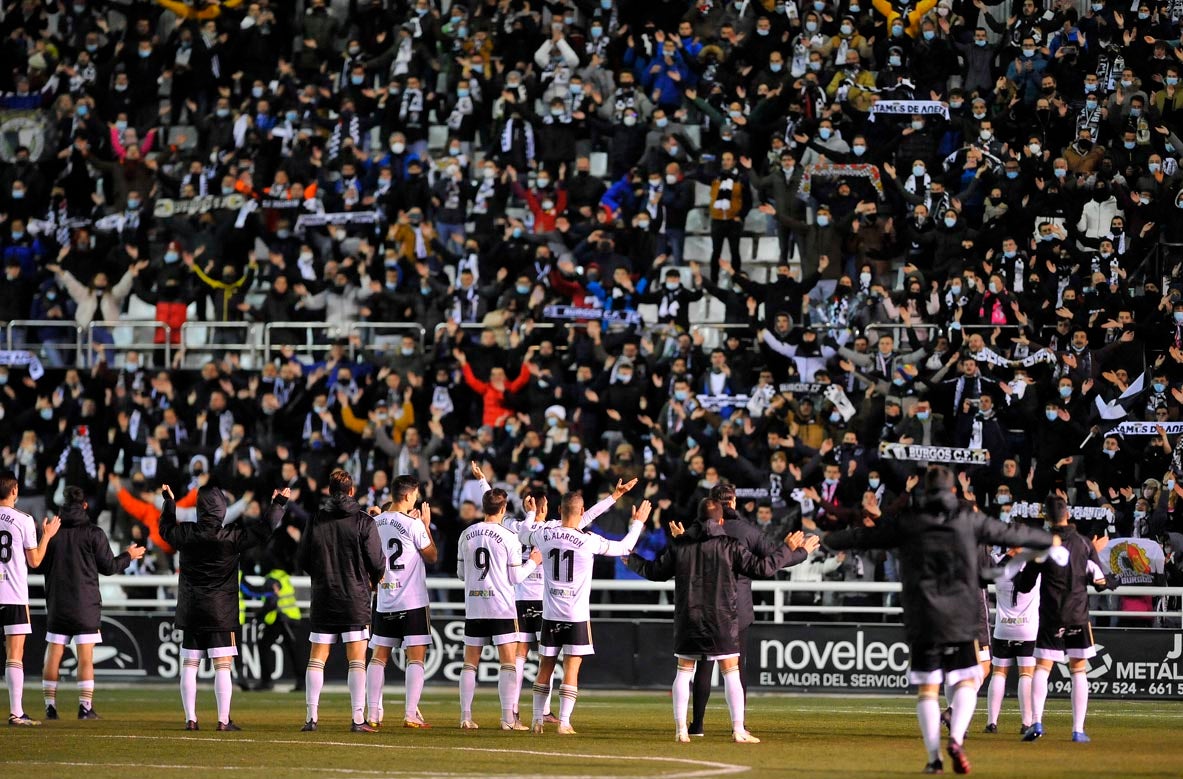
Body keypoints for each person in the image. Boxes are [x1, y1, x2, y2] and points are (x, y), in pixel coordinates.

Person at [825, 467, 1060, 775]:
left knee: (928, 689)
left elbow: (865, 536)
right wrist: (1049, 538)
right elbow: (1010, 533)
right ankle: (958, 740)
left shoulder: (910, 523)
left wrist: (830, 540)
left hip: (922, 616)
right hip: (962, 616)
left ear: (924, 492)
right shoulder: (969, 520)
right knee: (966, 679)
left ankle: (934, 758)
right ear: (952, 492)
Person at [630, 498, 818, 743]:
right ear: (720, 520)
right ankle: (738, 730)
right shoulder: (730, 546)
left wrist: (630, 558)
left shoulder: (681, 545)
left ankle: (681, 730)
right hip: (722, 620)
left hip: (689, 619)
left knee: (684, 672)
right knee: (731, 673)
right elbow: (763, 568)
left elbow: (656, 572)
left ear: (696, 519)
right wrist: (788, 548)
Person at [160, 482, 290, 731]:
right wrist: (278, 504)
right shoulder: (231, 536)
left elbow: (165, 529)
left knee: (190, 664)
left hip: (191, 609)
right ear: (221, 508)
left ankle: (191, 719)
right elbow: (264, 531)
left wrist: (169, 502)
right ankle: (223, 720)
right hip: (220, 611)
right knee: (222, 665)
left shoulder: (186, 533)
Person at [524, 493, 651, 735]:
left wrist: (533, 514)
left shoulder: (544, 534)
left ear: (559, 510)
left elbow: (523, 534)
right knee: (571, 668)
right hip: (576, 615)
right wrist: (637, 523)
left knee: (545, 667)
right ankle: (563, 722)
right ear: (582, 512)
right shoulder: (588, 540)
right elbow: (624, 547)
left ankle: (537, 720)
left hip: (551, 614)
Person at [1016, 495, 1115, 743]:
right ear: (1067, 514)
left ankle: (1036, 722)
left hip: (1051, 614)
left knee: (1042, 668)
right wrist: (1112, 580)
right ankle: (1077, 730)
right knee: (1078, 670)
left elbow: (1026, 583)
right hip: (1079, 615)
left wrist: (1020, 584)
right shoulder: (1083, 544)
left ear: (1047, 518)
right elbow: (1100, 581)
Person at [40, 486, 145, 720]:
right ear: (85, 505)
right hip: (85, 603)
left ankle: (50, 707)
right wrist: (129, 555)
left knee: (54, 653)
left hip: (57, 601)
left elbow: (38, 561)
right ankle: (85, 708)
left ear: (63, 504)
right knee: (85, 656)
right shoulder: (93, 532)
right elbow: (109, 567)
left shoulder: (51, 531)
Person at [684, 483, 780, 737]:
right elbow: (771, 557)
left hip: (706, 605)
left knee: (703, 666)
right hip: (739, 609)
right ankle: (739, 724)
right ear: (734, 502)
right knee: (737, 668)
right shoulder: (746, 530)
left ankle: (697, 724)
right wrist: (797, 551)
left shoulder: (699, 530)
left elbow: (681, 552)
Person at [298, 469, 385, 733]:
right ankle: (358, 719)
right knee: (357, 659)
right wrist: (371, 580)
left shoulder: (316, 519)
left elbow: (302, 559)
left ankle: (311, 718)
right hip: (354, 597)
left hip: (324, 595)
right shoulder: (363, 521)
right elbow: (377, 561)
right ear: (351, 491)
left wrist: (323, 576)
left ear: (328, 491)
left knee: (317, 658)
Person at [455, 486, 541, 730]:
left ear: (484, 507)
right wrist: (533, 562)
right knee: (508, 663)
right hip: (501, 607)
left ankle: (465, 716)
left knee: (470, 663)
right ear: (503, 508)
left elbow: (461, 573)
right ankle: (507, 718)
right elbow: (515, 577)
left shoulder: (466, 534)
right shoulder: (508, 537)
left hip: (474, 605)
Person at [365, 474, 438, 729]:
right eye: (415, 495)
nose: (416, 499)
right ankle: (410, 713)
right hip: (413, 600)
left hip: (385, 599)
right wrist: (426, 524)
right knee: (416, 658)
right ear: (407, 496)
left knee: (378, 657)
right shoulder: (413, 523)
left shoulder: (374, 522)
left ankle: (372, 714)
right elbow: (431, 556)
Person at [0, 472, 60, 726]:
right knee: (14, 654)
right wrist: (46, 535)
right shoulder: (24, 520)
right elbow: (35, 561)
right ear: (14, 490)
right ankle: (16, 713)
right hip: (13, 594)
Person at [254, 557, 304, 693]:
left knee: (264, 646)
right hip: (292, 617)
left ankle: (267, 681)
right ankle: (302, 682)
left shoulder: (271, 579)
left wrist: (259, 616)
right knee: (294, 651)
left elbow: (271, 602)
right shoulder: (283, 576)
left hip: (281, 618)